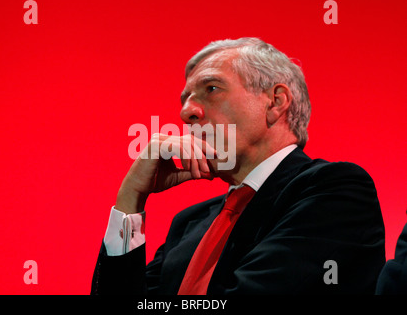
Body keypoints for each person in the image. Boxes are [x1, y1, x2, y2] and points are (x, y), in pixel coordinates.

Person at [91, 37, 385, 294]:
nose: (186, 112)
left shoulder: (335, 191)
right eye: (186, 100)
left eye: (212, 88)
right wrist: (130, 202)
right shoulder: (189, 223)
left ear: (275, 102)